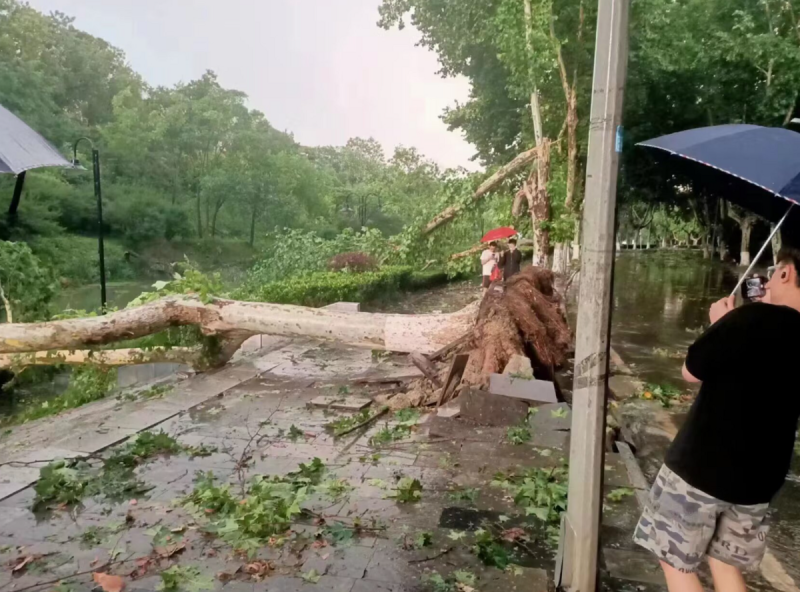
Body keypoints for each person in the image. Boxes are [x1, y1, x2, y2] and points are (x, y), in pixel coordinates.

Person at [633, 246, 800, 592]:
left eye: (774, 271)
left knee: (674, 561)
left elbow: (691, 372)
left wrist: (723, 323)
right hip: (760, 481)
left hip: (701, 468)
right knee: (725, 565)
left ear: (787, 273)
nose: (768, 280)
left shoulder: (748, 319)